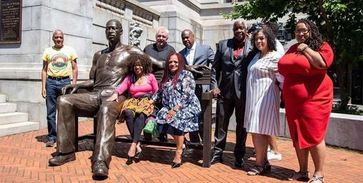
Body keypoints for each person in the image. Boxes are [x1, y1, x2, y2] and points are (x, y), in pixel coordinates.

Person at [48, 19, 164, 179]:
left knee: (106, 108)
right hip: (95, 94)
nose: (110, 31)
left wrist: (184, 66)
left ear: (121, 31)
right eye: (108, 28)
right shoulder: (99, 55)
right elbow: (93, 81)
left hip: (117, 95)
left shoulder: (131, 51)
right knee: (64, 101)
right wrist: (75, 85)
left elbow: (158, 63)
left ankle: (100, 161)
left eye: (114, 28)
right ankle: (66, 152)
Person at [278, 19, 334, 183]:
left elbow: (322, 63)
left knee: (314, 135)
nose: (300, 33)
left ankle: (319, 174)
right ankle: (302, 171)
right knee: (297, 135)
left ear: (312, 31)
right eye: (297, 30)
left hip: (315, 99)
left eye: (304, 30)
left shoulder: (322, 46)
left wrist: (306, 49)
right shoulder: (292, 48)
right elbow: (282, 66)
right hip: (293, 101)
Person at [210, 20, 253, 168]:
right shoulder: (223, 45)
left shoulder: (252, 46)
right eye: (236, 28)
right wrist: (214, 86)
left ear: (246, 30)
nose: (239, 31)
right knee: (221, 124)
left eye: (241, 28)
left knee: (242, 126)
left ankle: (239, 156)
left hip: (244, 93)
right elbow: (215, 68)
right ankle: (217, 153)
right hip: (225, 92)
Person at [107, 53, 158, 165]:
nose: (137, 67)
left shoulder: (150, 77)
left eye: (140, 65)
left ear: (144, 65)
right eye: (135, 65)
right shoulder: (130, 77)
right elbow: (121, 87)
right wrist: (116, 93)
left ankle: (133, 144)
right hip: (133, 101)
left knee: (140, 114)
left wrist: (151, 101)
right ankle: (137, 144)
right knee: (128, 113)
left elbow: (157, 92)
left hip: (147, 101)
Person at [243, 26, 282, 176]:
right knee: (256, 129)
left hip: (266, 97)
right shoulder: (256, 56)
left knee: (259, 130)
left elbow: (283, 78)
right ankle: (264, 162)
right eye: (256, 39)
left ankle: (259, 164)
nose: (259, 41)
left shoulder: (275, 57)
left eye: (262, 38)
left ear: (269, 39)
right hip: (253, 98)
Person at [152, 52, 201, 168]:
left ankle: (178, 153)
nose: (172, 64)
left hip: (187, 106)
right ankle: (182, 143)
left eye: (175, 62)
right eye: (170, 62)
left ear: (180, 63)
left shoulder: (186, 75)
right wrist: (150, 101)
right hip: (169, 107)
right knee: (160, 118)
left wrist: (175, 109)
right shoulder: (166, 77)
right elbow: (159, 93)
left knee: (175, 119)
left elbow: (188, 95)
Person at [41, 30, 78, 147]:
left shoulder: (70, 50)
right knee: (50, 112)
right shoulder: (48, 51)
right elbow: (44, 70)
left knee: (65, 112)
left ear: (63, 38)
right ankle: (52, 137)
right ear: (53, 38)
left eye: (60, 37)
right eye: (56, 37)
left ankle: (65, 137)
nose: (58, 39)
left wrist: (74, 84)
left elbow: (75, 68)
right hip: (51, 82)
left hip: (65, 82)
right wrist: (43, 87)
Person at [179, 29, 215, 144]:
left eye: (187, 37)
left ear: (193, 37)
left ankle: (206, 144)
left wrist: (213, 85)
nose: (186, 40)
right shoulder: (180, 53)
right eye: (183, 38)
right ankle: (194, 143)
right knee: (190, 116)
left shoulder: (205, 49)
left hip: (202, 89)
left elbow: (215, 65)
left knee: (203, 117)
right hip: (188, 90)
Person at [144, 26, 176, 142]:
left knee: (163, 107)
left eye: (163, 36)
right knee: (148, 105)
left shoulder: (171, 50)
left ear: (167, 38)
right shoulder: (148, 49)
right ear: (155, 37)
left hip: (164, 83)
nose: (161, 38)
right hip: (149, 83)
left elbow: (174, 67)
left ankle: (162, 133)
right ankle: (148, 129)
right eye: (159, 36)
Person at [264, 21, 285, 161]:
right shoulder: (275, 44)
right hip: (269, 88)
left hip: (270, 88)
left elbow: (278, 70)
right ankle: (269, 148)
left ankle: (274, 150)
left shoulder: (276, 46)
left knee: (268, 121)